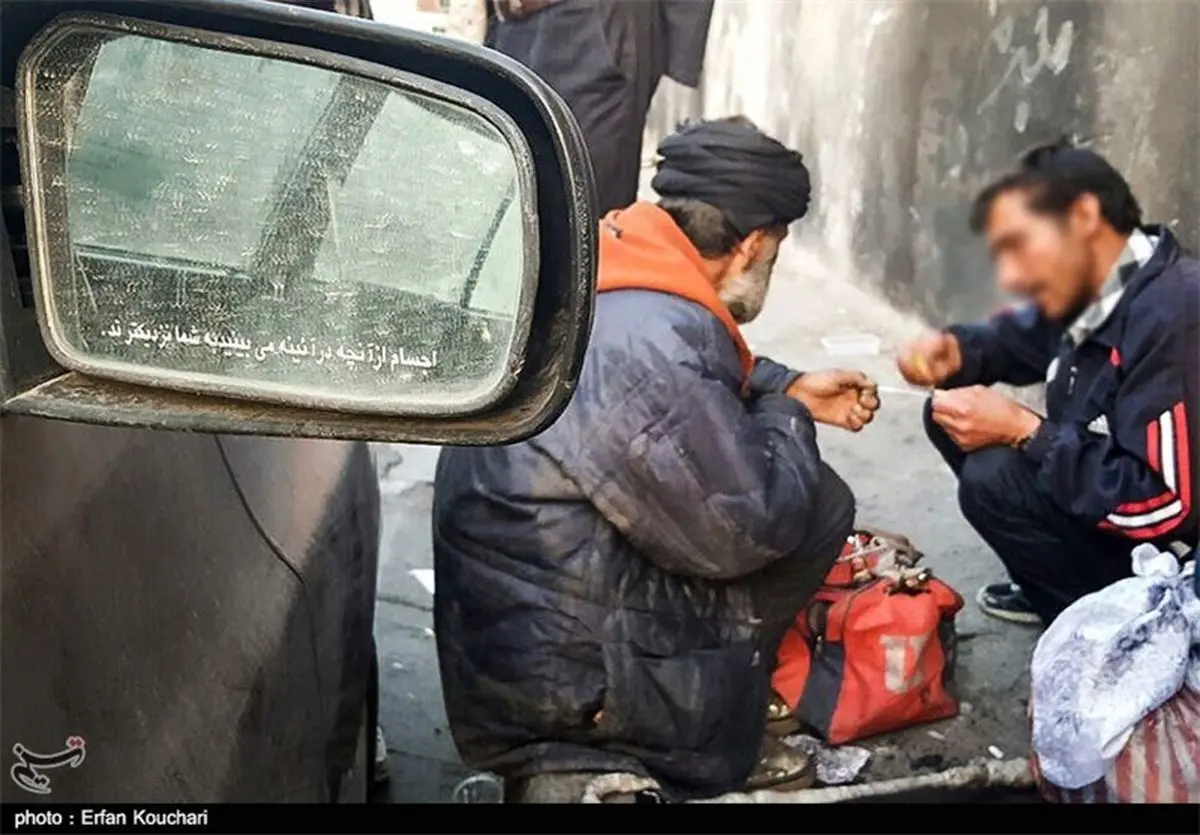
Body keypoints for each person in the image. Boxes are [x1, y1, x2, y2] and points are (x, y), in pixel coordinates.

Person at [432, 118, 880, 802]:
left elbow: (691, 378)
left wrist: (783, 385)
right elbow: (748, 525)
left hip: (513, 628)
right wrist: (788, 414)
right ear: (754, 244)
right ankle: (661, 737)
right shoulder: (648, 342)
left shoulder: (610, 261)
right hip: (561, 688)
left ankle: (705, 698)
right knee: (810, 506)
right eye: (776, 252)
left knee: (796, 490)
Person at [898, 140, 1199, 628]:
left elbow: (1168, 506)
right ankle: (1049, 581)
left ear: (1083, 216)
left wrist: (1028, 433)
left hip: (1169, 559)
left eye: (1021, 245)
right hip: (1112, 505)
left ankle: (1093, 631)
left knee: (993, 478)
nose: (1014, 274)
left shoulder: (1177, 314)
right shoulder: (1103, 279)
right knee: (949, 412)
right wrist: (957, 352)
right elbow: (1027, 340)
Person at [482, 0, 714, 216]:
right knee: (510, 203)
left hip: (593, 29)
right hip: (510, 26)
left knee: (586, 206)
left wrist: (680, 59)